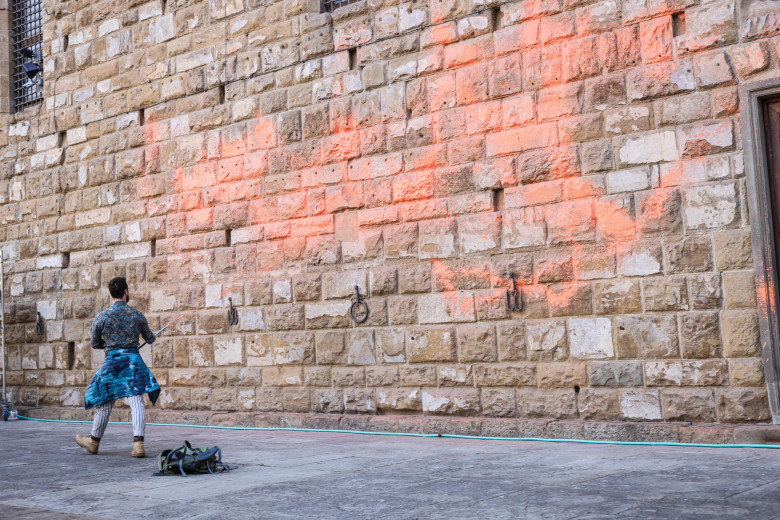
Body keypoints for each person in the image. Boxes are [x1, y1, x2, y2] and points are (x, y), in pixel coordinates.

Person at [75, 277, 160, 458]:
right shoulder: (136, 315)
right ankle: (138, 445)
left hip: (112, 363)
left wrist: (113, 346)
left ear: (111, 294)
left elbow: (95, 343)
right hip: (132, 362)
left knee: (105, 401)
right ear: (126, 292)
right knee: (136, 400)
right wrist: (151, 337)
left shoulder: (101, 317)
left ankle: (93, 442)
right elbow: (150, 338)